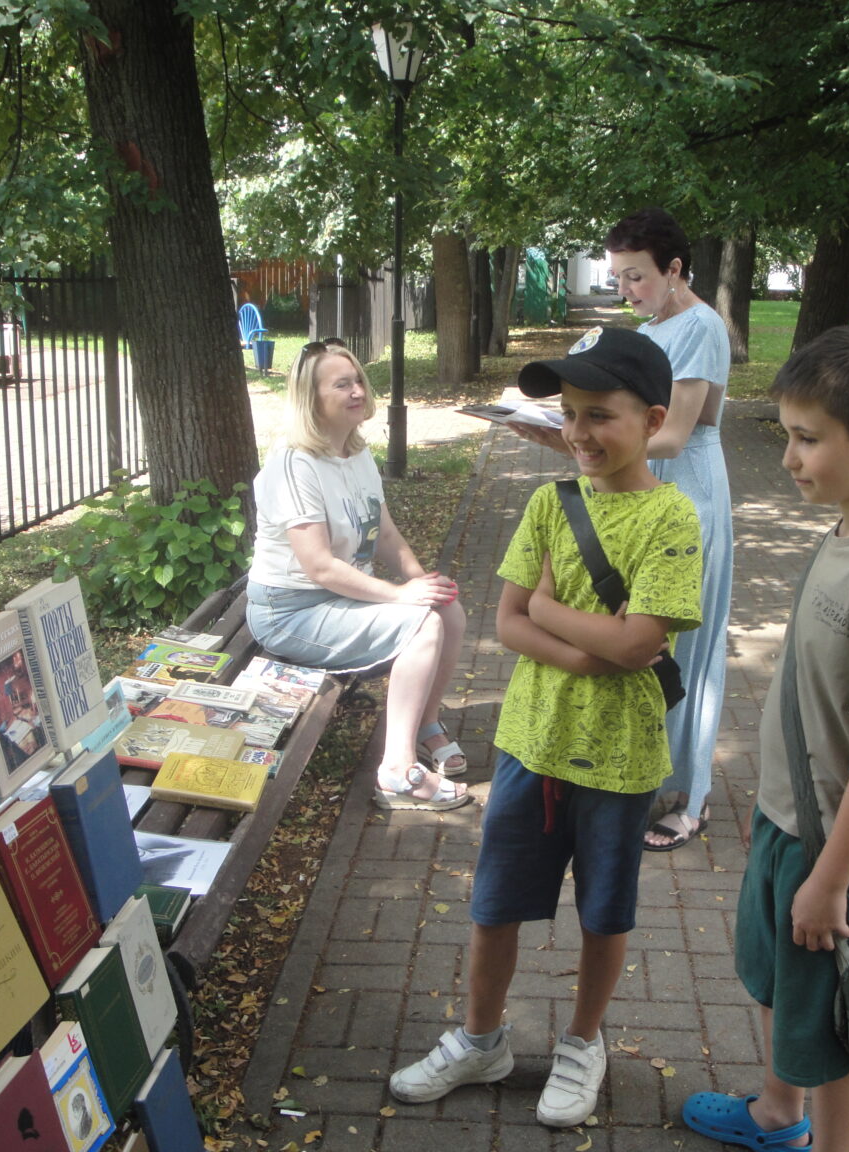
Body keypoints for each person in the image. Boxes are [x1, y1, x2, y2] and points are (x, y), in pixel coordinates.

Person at [389, 326, 703, 1126]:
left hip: (620, 759)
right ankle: (480, 1039)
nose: (578, 433)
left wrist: (552, 609)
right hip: (531, 743)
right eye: (569, 414)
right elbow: (508, 624)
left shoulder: (673, 519)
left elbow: (637, 643)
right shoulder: (549, 503)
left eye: (599, 415)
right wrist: (592, 649)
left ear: (653, 420)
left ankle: (583, 1043)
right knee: (495, 902)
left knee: (604, 912)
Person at [681, 326, 849, 1152]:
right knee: (780, 982)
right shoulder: (845, 533)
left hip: (841, 848)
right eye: (787, 436)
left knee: (832, 1022)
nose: (789, 458)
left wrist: (831, 881)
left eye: (807, 439)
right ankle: (776, 1113)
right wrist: (779, 813)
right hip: (793, 820)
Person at [514, 207, 732, 851]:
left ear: (675, 269)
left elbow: (674, 434)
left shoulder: (701, 326)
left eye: (636, 276)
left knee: (684, 648)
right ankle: (645, 773)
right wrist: (570, 438)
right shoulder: (651, 327)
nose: (626, 289)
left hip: (686, 491)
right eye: (618, 277)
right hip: (634, 488)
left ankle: (690, 796)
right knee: (623, 626)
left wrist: (575, 441)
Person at [246, 339, 471, 811]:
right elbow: (319, 566)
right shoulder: (294, 464)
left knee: (446, 610)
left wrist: (422, 581)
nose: (357, 392)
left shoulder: (356, 452)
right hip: (290, 610)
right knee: (421, 624)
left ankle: (426, 722)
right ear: (311, 398)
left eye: (358, 382)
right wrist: (400, 595)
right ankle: (397, 771)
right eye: (342, 384)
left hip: (339, 595)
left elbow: (384, 534)